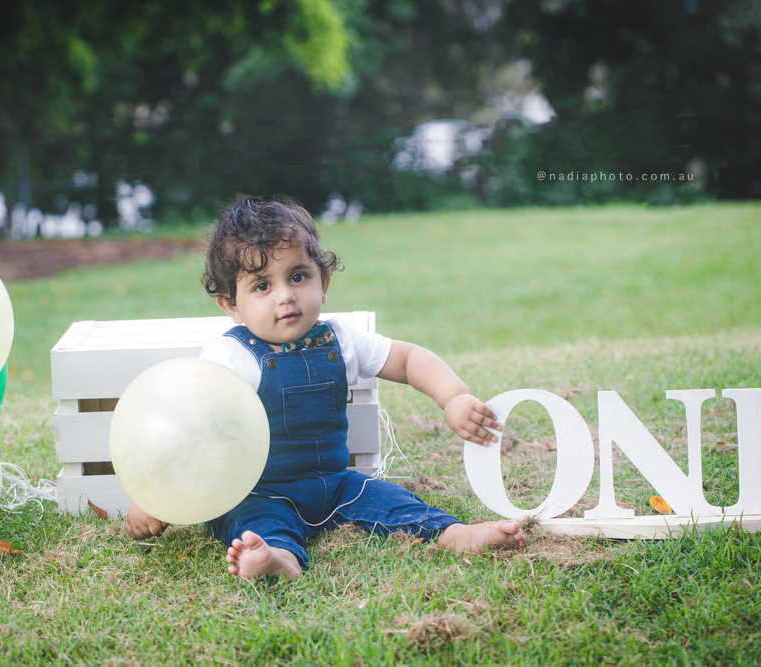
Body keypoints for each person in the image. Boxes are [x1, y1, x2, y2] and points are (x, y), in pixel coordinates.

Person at [126, 194, 526, 579]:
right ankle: (278, 558)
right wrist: (158, 501)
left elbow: (408, 359)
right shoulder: (229, 358)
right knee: (257, 523)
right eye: (261, 286)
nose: (285, 296)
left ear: (324, 281)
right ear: (231, 304)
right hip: (262, 490)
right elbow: (190, 431)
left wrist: (453, 397)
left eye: (298, 276)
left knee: (390, 500)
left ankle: (452, 533)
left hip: (334, 484)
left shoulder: (338, 339)